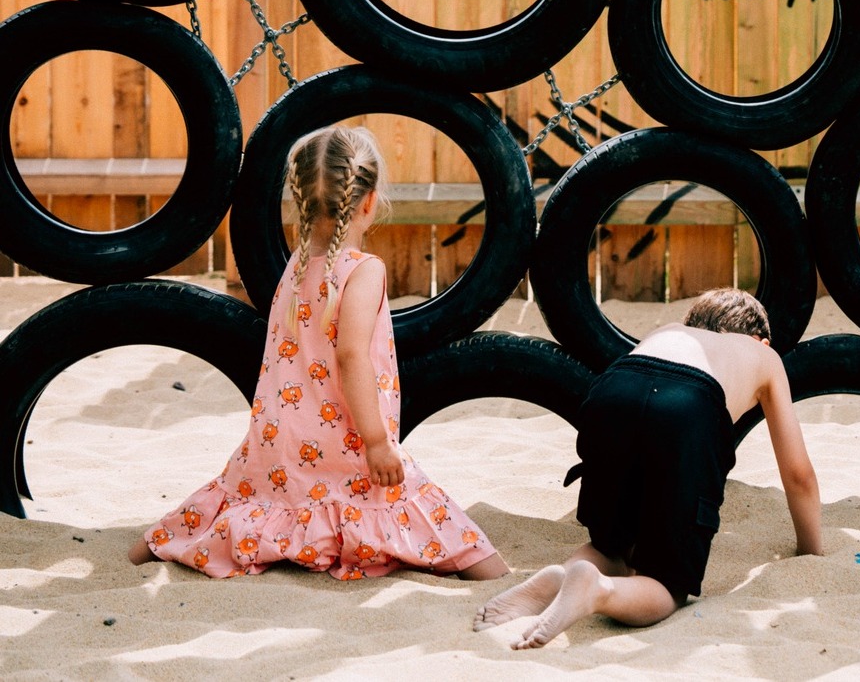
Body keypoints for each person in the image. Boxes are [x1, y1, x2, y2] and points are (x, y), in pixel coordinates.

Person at [129, 123, 508, 583]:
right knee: (441, 526)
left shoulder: (295, 267)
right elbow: (352, 357)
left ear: (302, 202)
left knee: (241, 500)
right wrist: (377, 442)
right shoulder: (363, 271)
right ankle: (495, 577)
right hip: (347, 441)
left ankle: (146, 550)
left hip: (277, 444)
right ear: (369, 202)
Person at [474, 287, 821, 648]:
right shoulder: (763, 356)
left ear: (695, 323)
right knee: (666, 586)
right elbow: (799, 476)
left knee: (611, 547)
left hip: (613, 391)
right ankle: (597, 591)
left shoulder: (668, 332)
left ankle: (563, 577)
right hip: (687, 405)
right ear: (761, 340)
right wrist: (811, 551)